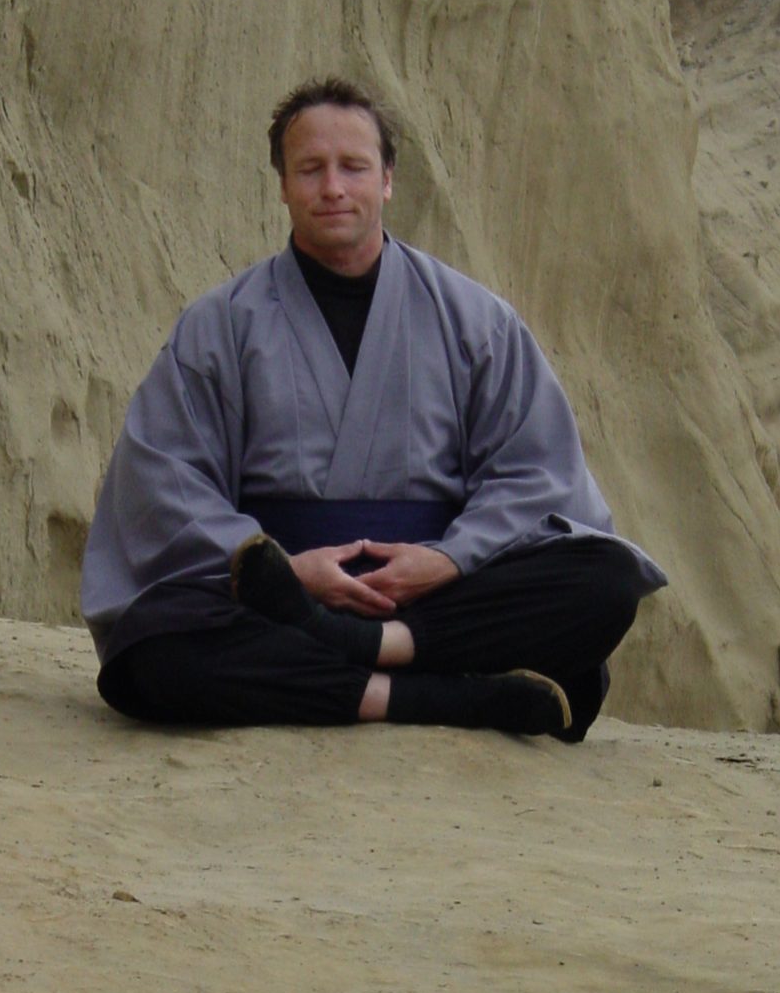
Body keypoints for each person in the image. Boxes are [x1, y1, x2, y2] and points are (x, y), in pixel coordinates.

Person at [80, 77, 666, 739]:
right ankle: (434, 697)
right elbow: (165, 479)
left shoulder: (477, 322)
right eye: (310, 169)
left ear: (387, 179)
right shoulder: (219, 326)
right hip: (284, 598)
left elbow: (537, 474)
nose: (332, 187)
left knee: (606, 579)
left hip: (437, 596)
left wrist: (450, 559)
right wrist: (286, 570)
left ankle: (371, 654)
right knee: (148, 652)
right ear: (282, 185)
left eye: (353, 167)